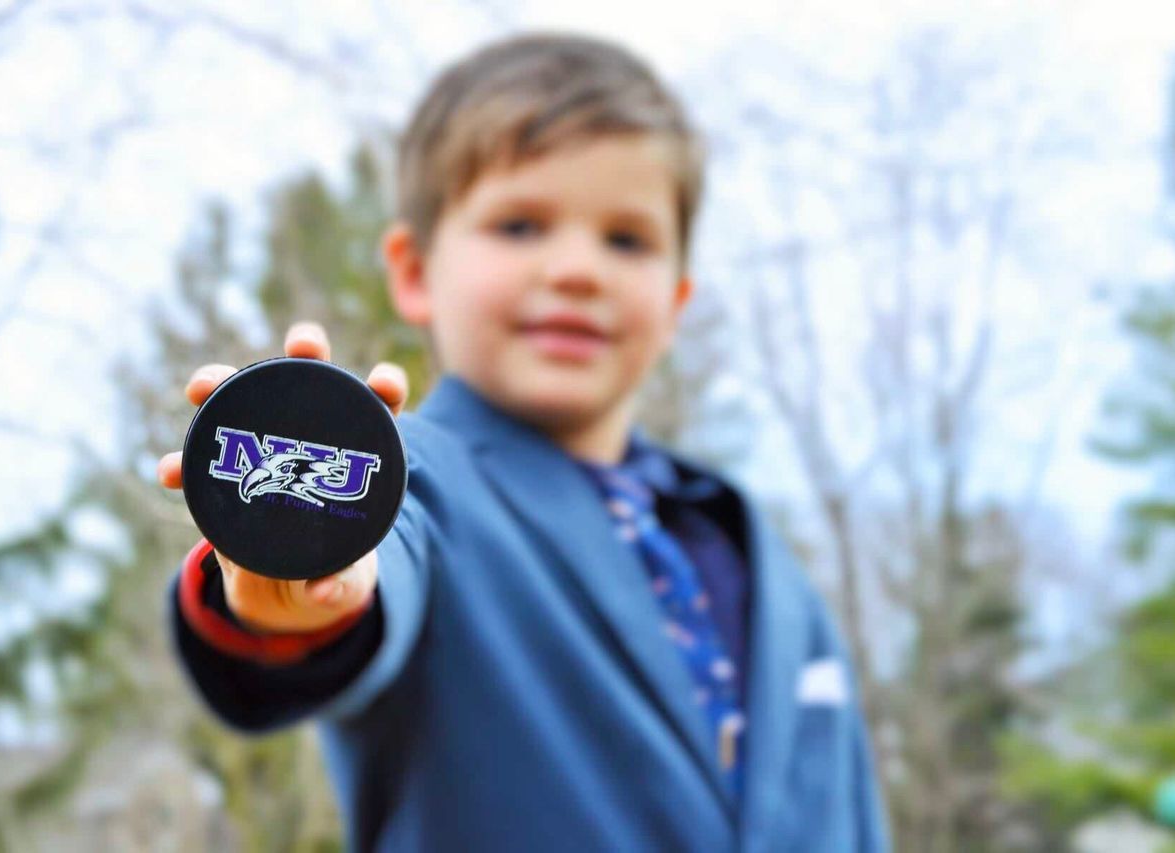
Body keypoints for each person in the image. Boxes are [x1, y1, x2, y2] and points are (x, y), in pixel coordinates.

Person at [157, 31, 889, 852]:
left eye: (627, 239)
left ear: (677, 297)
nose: (577, 268)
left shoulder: (744, 536)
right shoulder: (415, 481)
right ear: (413, 270)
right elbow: (369, 573)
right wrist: (299, 574)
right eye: (520, 224)